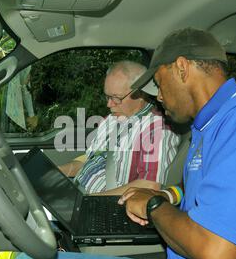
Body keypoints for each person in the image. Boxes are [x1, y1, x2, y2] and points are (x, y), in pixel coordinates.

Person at [0, 28, 236, 259]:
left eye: (159, 84)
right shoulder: (209, 125)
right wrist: (169, 193)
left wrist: (152, 205)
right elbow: (205, 192)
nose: (158, 97)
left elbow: (216, 253)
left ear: (181, 68)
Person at [58, 60, 181, 195]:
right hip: (77, 192)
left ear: (140, 94)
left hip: (106, 205)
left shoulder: (156, 130)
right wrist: (55, 173)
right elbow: (90, 160)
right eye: (107, 96)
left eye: (116, 98)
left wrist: (89, 201)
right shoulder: (110, 120)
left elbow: (150, 185)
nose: (109, 104)